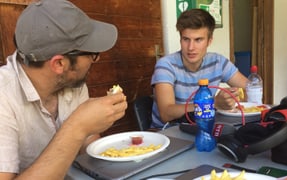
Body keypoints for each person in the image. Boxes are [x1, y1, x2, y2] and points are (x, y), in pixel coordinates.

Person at [0, 0, 127, 179]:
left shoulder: (71, 81)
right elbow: (80, 130)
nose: (94, 60)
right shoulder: (3, 97)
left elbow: (89, 145)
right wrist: (77, 127)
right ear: (59, 63)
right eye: (92, 53)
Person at [150, 9, 248, 129]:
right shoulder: (166, 65)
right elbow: (166, 113)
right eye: (186, 39)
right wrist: (213, 104)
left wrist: (233, 97)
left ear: (209, 41)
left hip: (203, 127)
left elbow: (250, 89)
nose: (191, 47)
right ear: (180, 39)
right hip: (168, 133)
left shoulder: (218, 62)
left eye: (198, 40)